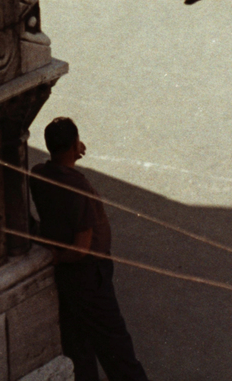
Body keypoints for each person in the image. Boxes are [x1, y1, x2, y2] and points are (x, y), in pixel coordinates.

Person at [29, 117, 150, 381]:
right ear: (73, 145)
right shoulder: (78, 187)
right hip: (88, 275)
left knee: (77, 343)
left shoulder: (38, 174)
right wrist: (58, 258)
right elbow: (81, 248)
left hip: (70, 278)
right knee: (114, 344)